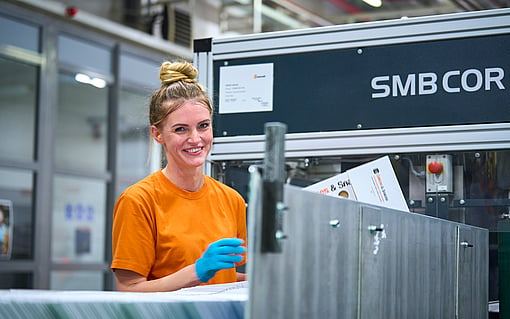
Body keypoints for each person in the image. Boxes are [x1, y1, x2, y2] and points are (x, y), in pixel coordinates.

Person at [111, 60, 247, 292]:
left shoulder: (231, 200)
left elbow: (224, 277)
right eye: (181, 129)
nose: (195, 139)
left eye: (203, 126)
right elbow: (129, 290)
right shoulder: (139, 201)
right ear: (158, 134)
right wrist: (195, 272)